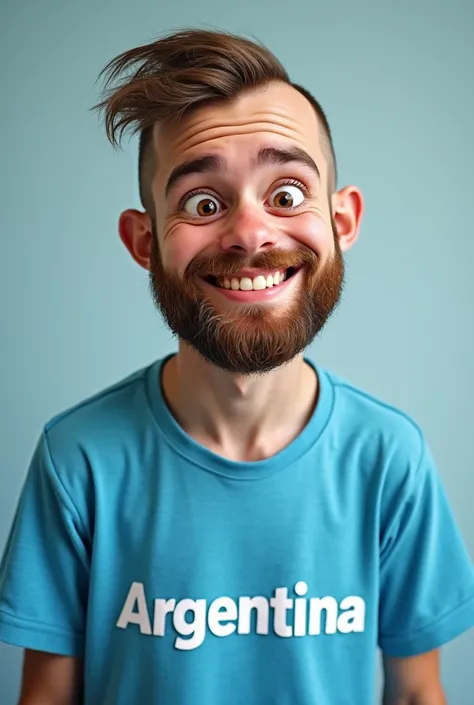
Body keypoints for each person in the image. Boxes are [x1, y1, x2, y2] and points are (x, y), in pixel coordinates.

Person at [0, 28, 473, 705]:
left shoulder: (390, 458)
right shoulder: (76, 459)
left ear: (343, 222)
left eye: (285, 194)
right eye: (202, 203)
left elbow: (417, 692)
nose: (251, 234)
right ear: (144, 240)